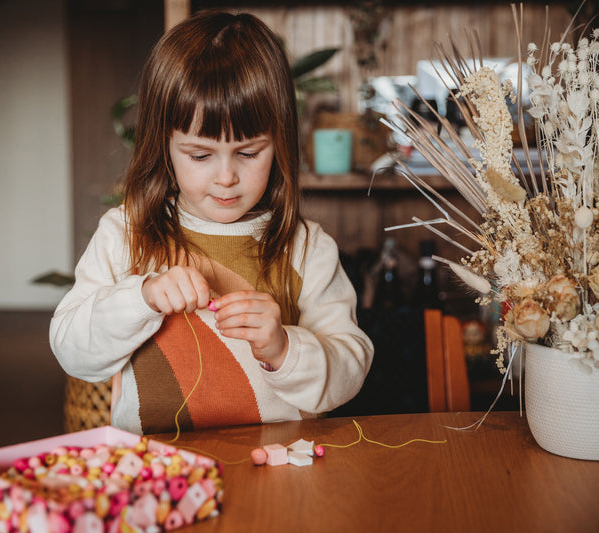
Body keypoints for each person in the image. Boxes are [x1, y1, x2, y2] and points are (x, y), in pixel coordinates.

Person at [49, 10, 373, 436]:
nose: (226, 177)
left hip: (281, 475)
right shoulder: (126, 233)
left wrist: (283, 347)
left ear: (279, 142)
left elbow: (350, 367)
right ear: (163, 145)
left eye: (249, 152)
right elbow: (73, 351)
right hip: (159, 477)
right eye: (200, 155)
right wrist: (140, 299)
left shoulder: (306, 246)